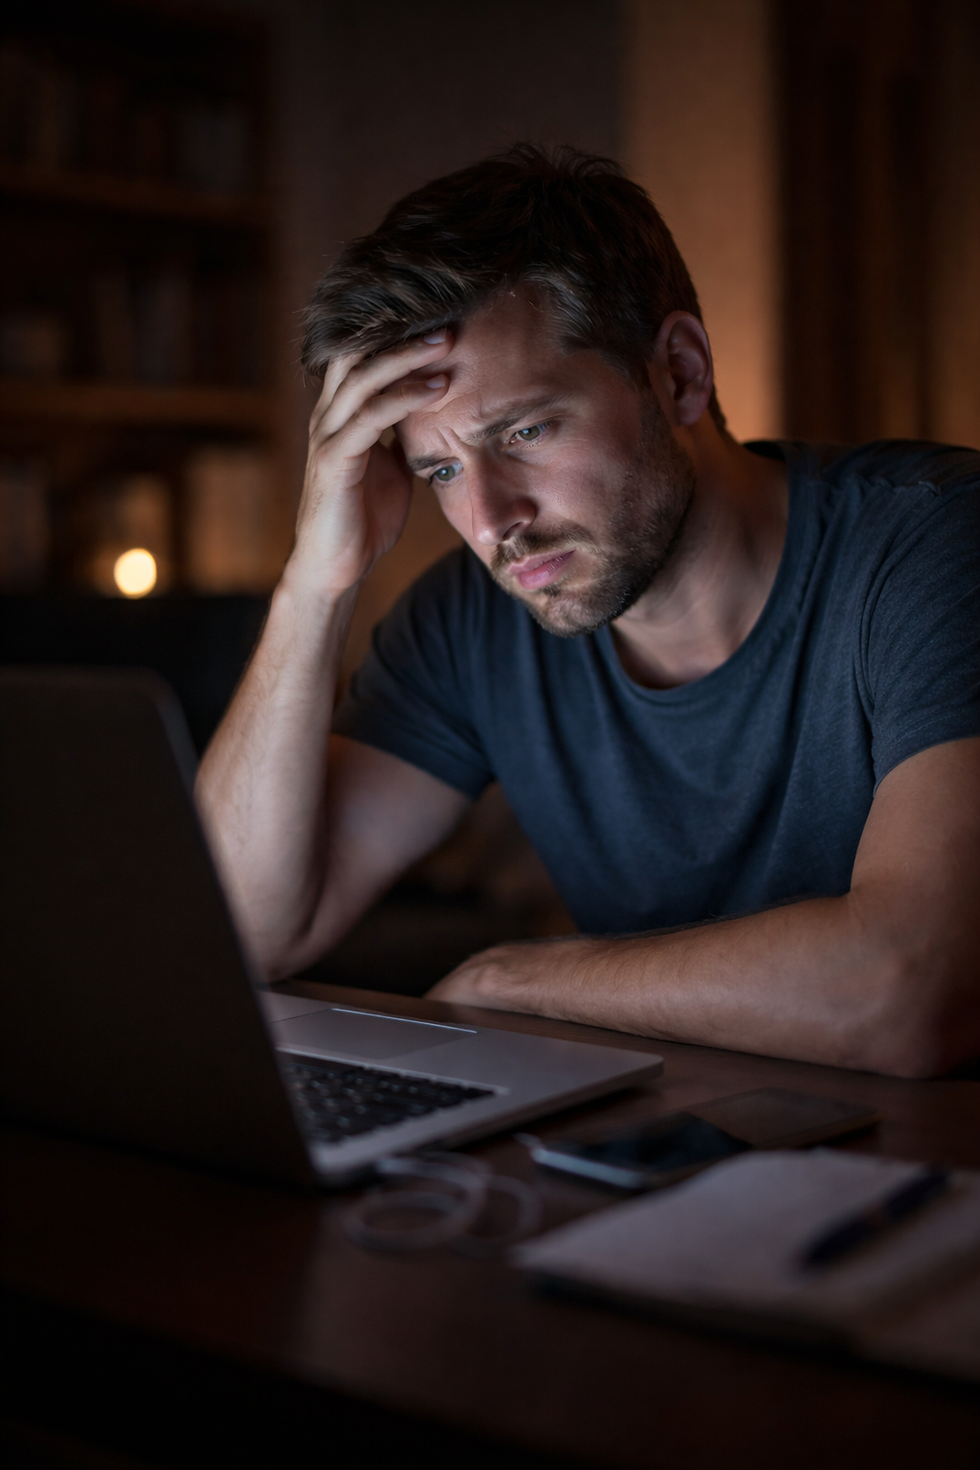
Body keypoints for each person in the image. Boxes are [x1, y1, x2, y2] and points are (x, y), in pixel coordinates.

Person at [197, 145, 980, 1079]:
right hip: (665, 1168)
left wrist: (515, 985)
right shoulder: (467, 623)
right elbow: (240, 934)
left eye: (524, 432)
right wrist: (314, 581)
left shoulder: (936, 547)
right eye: (440, 469)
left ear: (679, 372)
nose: (491, 523)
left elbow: (915, 995)